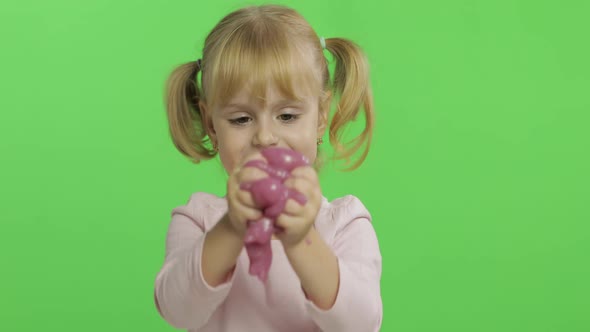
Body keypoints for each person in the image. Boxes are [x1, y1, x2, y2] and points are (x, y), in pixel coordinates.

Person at [154, 4, 382, 332]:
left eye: (287, 116)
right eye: (241, 119)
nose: (265, 137)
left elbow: (361, 323)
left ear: (320, 117)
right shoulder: (199, 219)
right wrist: (233, 226)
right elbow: (177, 310)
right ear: (211, 124)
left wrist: (302, 238)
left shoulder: (343, 224)